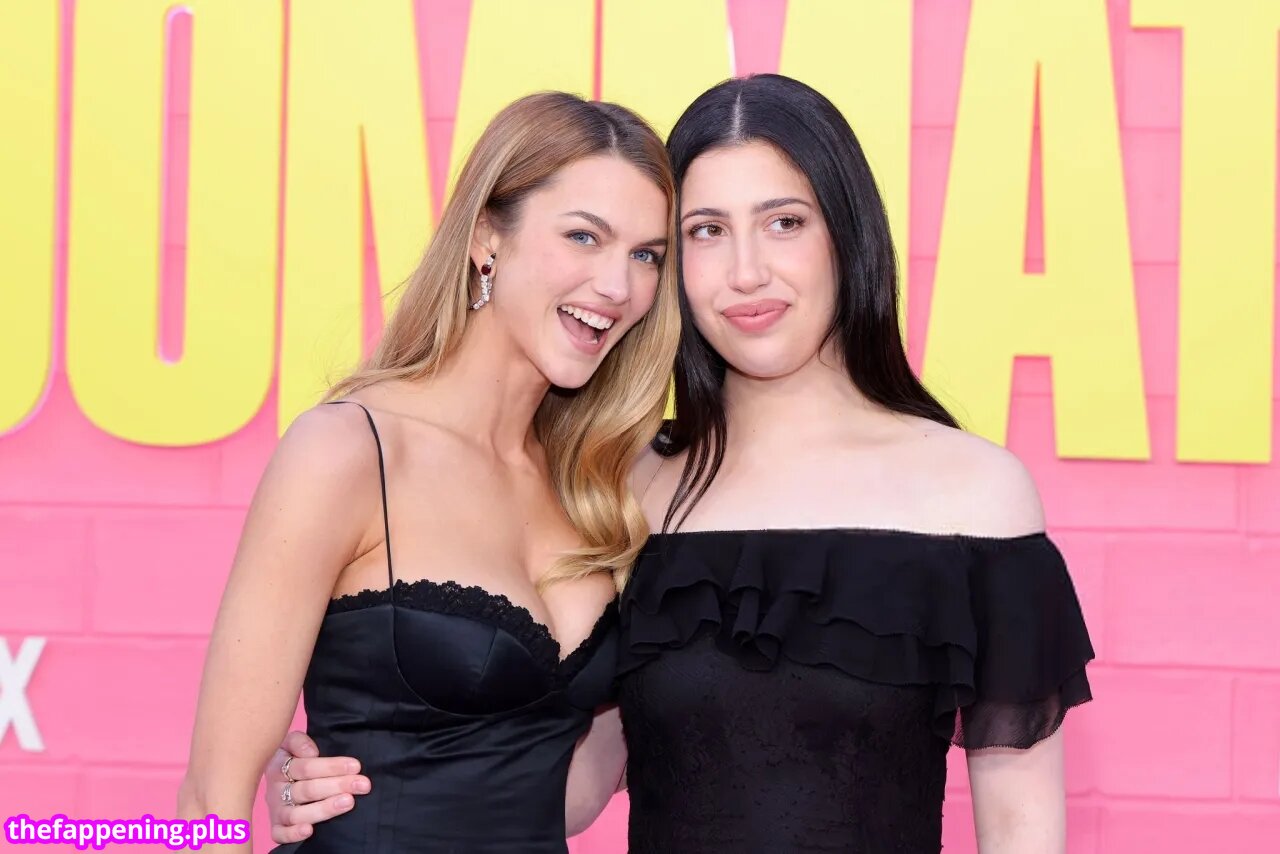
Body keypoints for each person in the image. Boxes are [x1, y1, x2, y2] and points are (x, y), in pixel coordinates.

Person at [262, 74, 1094, 853]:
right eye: (706, 232)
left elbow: (1021, 824)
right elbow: (567, 783)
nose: (746, 272)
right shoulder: (624, 486)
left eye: (784, 222)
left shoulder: (974, 498)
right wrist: (366, 782)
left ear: (848, 234)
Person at [177, 91, 680, 853]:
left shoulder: (601, 488)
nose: (618, 285)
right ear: (487, 238)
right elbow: (209, 799)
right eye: (584, 236)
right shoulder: (348, 453)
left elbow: (565, 797)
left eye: (646, 256)